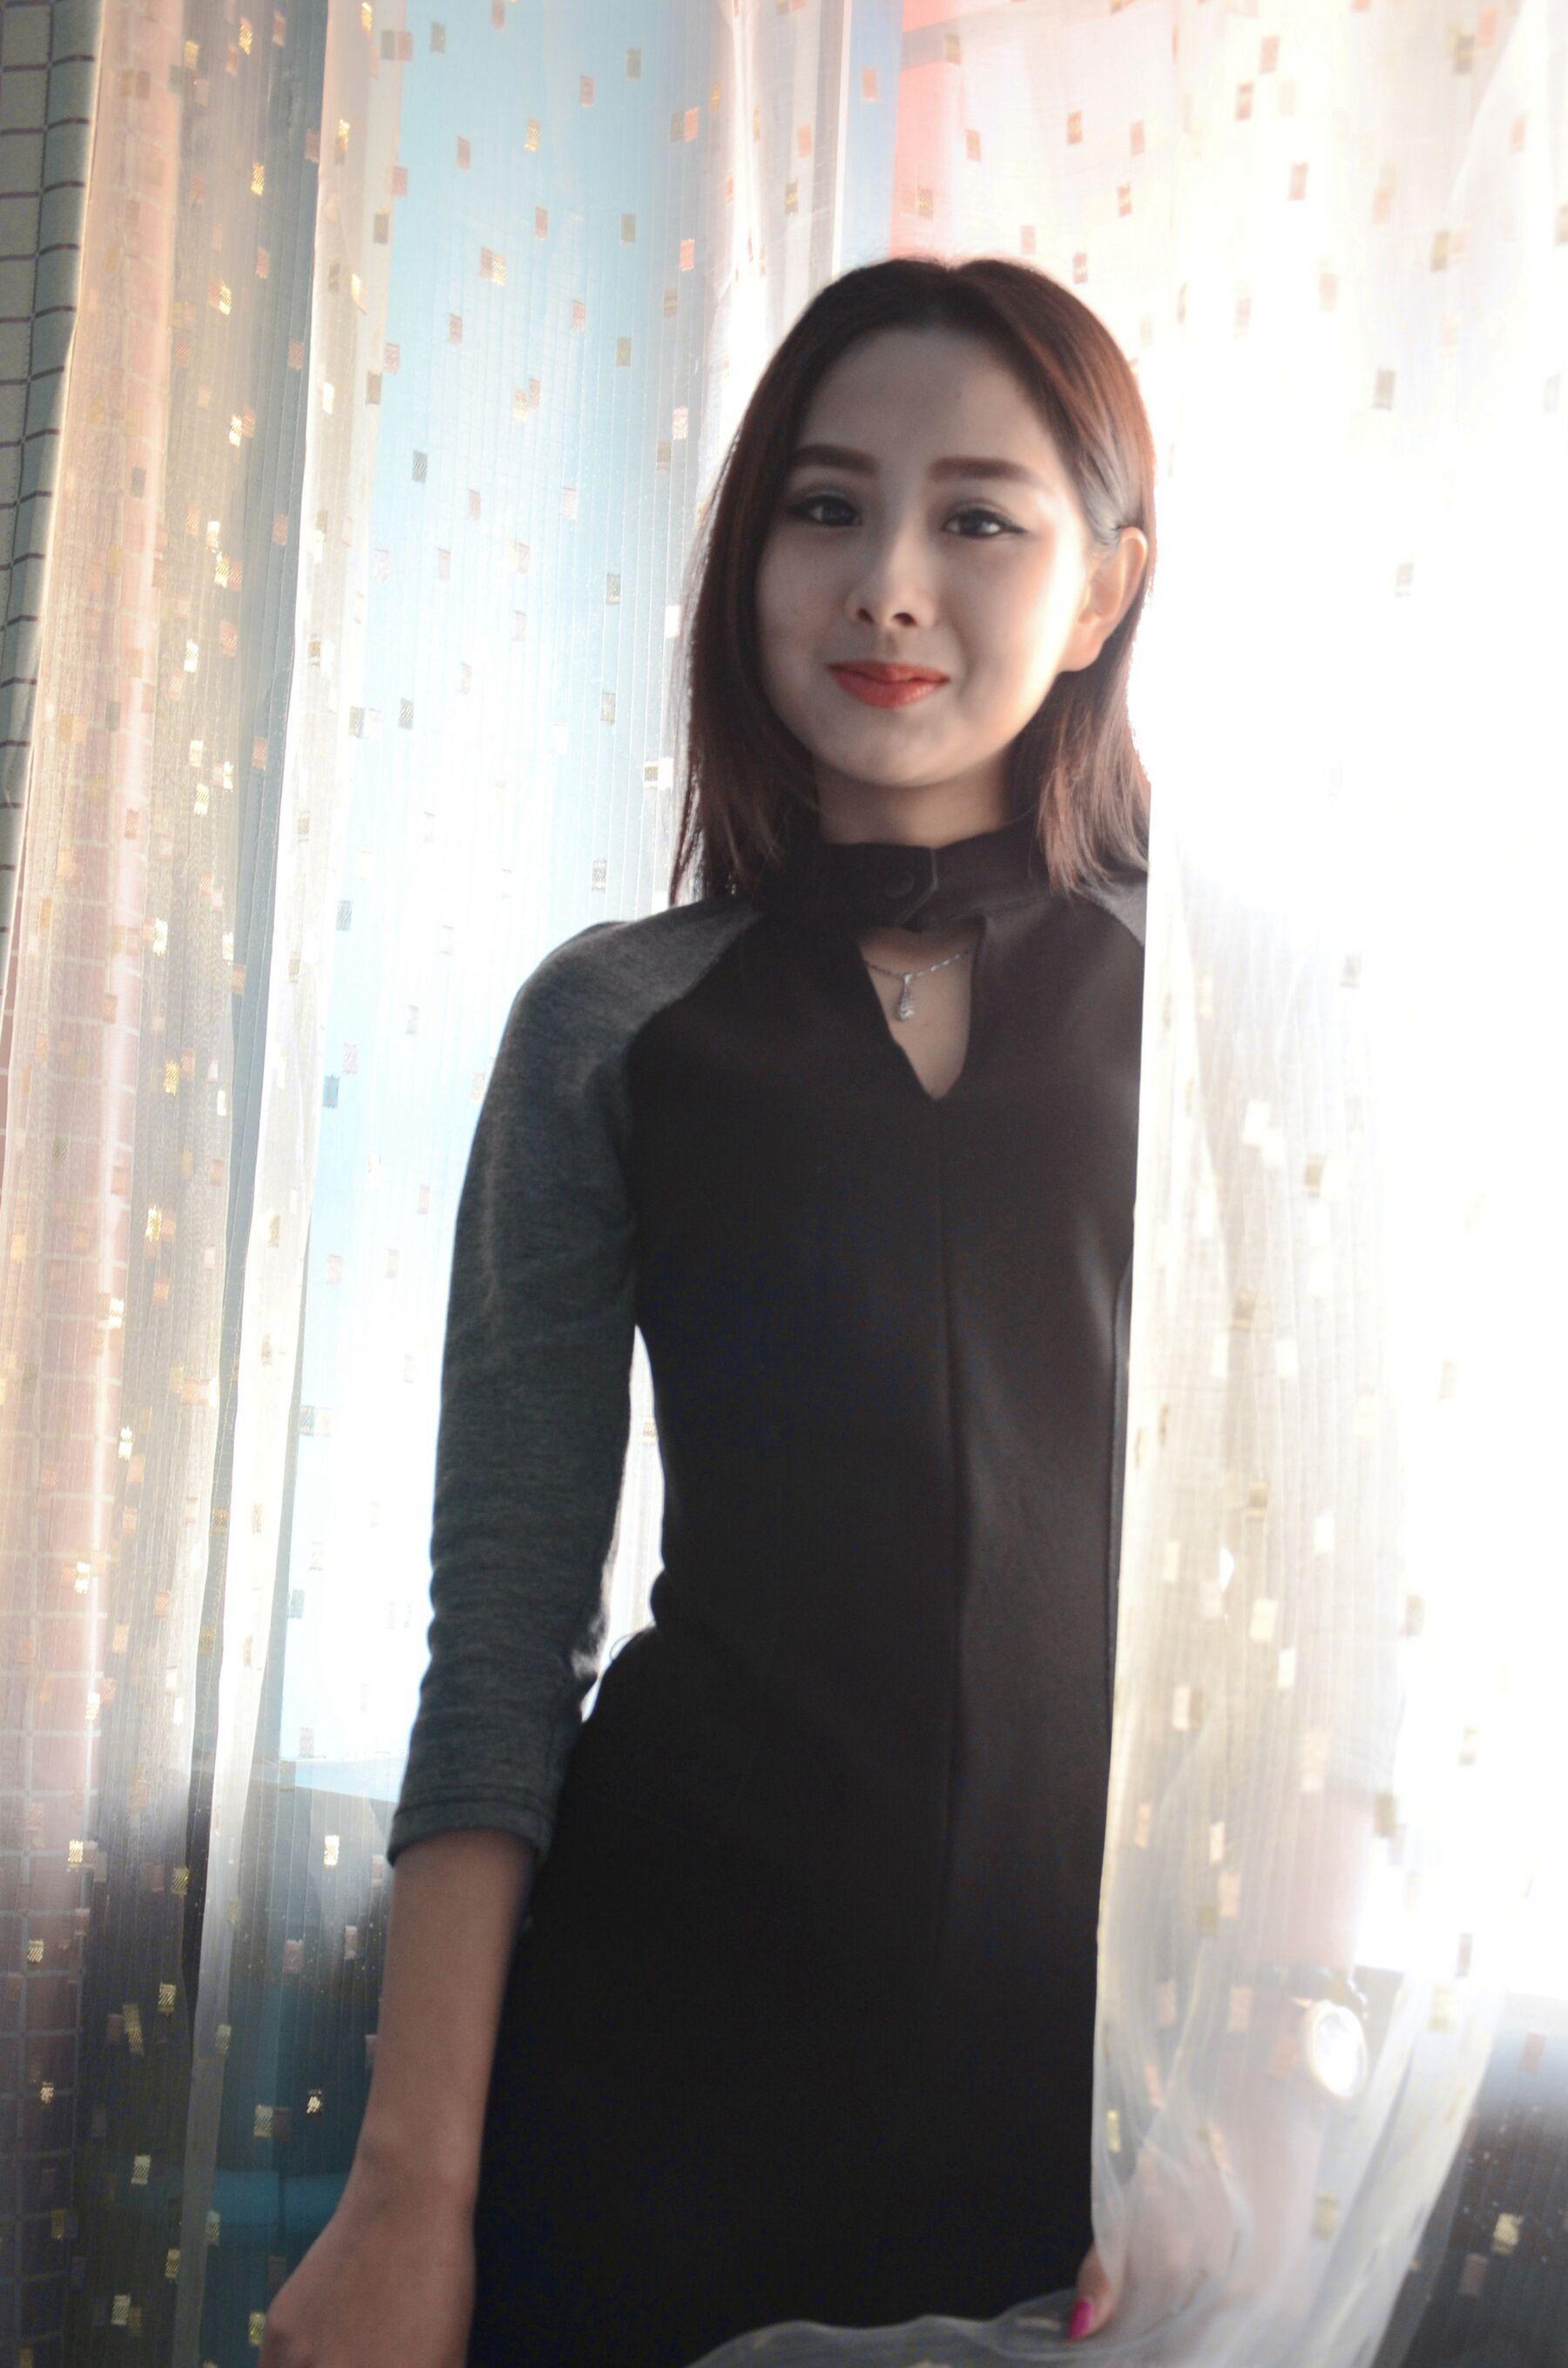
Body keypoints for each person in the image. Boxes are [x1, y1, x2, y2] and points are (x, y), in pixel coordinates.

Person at [259, 253, 1153, 2368]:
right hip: (650, 2090)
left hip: (1080, 2143)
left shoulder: (1216, 1022)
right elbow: (505, 1633)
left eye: (978, 518)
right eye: (825, 507)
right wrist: (409, 2199)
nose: (889, 585)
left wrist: (1261, 2124)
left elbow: (1318, 1659)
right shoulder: (609, 1024)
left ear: (1103, 592)